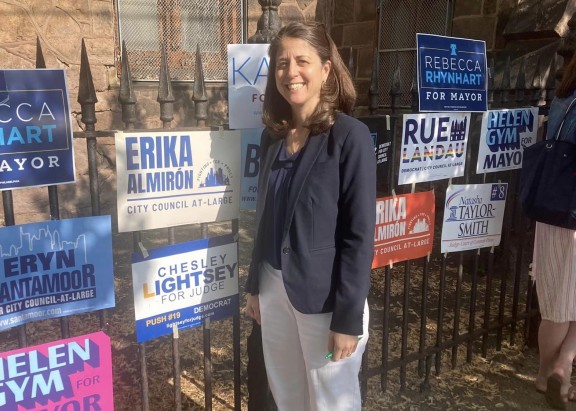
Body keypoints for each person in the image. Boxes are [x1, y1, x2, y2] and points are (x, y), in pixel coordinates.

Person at [244, 21, 376, 411]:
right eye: (282, 63)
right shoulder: (273, 137)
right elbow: (265, 218)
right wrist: (255, 286)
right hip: (273, 287)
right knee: (287, 395)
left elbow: (359, 235)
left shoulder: (349, 137)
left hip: (324, 299)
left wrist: (348, 318)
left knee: (333, 401)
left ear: (326, 69)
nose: (291, 72)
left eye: (302, 60)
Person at [533, 50, 576, 410]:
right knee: (566, 306)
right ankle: (560, 367)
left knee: (557, 305)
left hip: (554, 212)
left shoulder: (563, 97)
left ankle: (549, 371)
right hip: (571, 217)